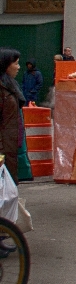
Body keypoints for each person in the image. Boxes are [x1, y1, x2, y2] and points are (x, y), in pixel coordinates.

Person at [0, 49, 26, 184]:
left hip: (11, 145)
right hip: (4, 147)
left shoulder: (11, 85)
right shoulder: (2, 89)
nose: (18, 67)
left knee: (8, 186)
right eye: (16, 63)